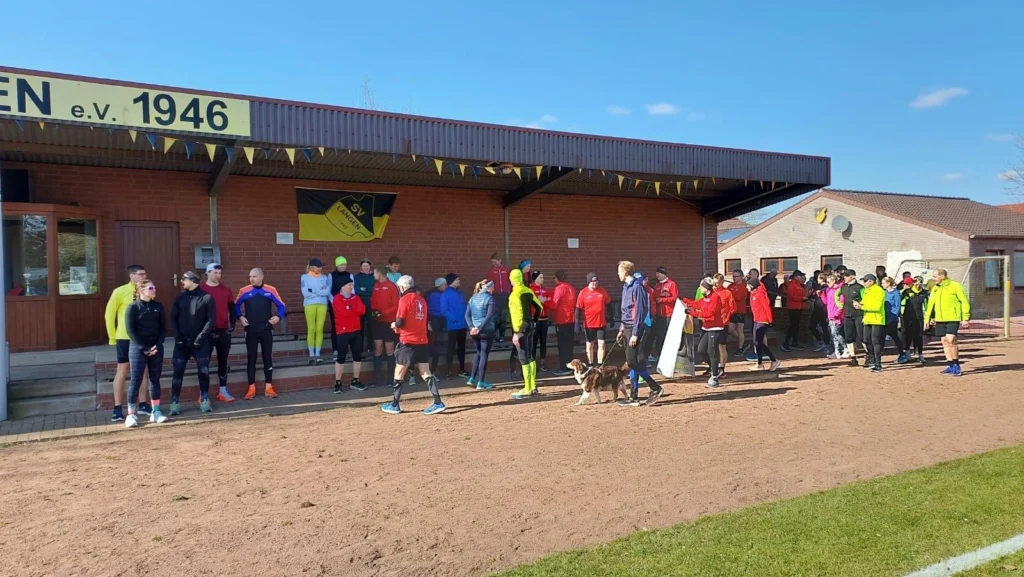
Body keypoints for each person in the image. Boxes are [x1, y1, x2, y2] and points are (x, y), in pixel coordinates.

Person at [380, 275, 447, 415]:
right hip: (422, 340)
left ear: (402, 287)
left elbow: (400, 322)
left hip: (408, 341)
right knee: (426, 372)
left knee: (399, 372)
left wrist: (394, 325)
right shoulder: (421, 300)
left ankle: (394, 404)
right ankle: (438, 402)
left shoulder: (404, 300)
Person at [104, 265, 151, 421]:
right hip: (124, 337)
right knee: (122, 370)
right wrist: (112, 337)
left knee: (143, 370)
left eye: (145, 274)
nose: (144, 277)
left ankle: (143, 403)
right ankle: (118, 407)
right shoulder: (119, 291)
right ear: (132, 275)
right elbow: (109, 315)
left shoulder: (148, 290)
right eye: (141, 274)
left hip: (142, 337)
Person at [169, 271, 216, 415]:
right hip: (182, 342)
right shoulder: (180, 298)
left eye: (184, 279)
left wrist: (200, 338)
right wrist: (178, 338)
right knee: (178, 372)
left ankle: (205, 399)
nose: (182, 282)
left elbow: (210, 321)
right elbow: (173, 319)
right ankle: (175, 403)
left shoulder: (207, 298)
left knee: (204, 371)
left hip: (200, 342)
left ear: (193, 281)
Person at [617, 262, 664, 406]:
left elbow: (640, 312)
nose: (617, 274)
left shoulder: (637, 287)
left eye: (619, 271)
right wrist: (621, 328)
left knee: (632, 361)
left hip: (635, 328)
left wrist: (635, 333)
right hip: (627, 327)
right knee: (634, 362)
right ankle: (634, 397)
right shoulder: (626, 287)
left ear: (625, 272)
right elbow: (625, 311)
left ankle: (655, 387)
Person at [123, 279, 168, 428]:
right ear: (141, 290)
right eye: (150, 288)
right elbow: (131, 331)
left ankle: (156, 412)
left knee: (155, 379)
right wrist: (144, 348)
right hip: (138, 348)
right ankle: (131, 415)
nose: (154, 290)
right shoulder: (132, 307)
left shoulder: (158, 306)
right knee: (136, 380)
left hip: (155, 347)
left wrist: (157, 345)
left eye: (154, 287)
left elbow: (163, 329)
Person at [236, 268, 286, 399]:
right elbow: (235, 306)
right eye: (250, 276)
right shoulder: (244, 290)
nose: (251, 279)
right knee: (251, 358)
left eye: (254, 276)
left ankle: (268, 387)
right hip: (251, 329)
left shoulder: (271, 290)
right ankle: (251, 388)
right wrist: (240, 317)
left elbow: (281, 306)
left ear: (261, 276)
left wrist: (278, 317)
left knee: (267, 357)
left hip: (266, 329)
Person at [684, 277, 731, 388]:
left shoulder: (715, 297)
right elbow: (697, 304)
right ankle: (715, 367)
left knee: (712, 351)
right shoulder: (706, 297)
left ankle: (714, 377)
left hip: (716, 327)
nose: (699, 288)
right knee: (701, 349)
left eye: (701, 286)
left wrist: (692, 312)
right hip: (707, 327)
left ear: (705, 287)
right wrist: (685, 300)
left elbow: (709, 313)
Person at [201, 263, 238, 402]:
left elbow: (232, 309)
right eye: (215, 273)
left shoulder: (226, 290)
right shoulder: (201, 289)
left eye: (219, 273)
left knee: (223, 360)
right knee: (204, 362)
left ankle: (223, 390)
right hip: (206, 332)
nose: (218, 275)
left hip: (223, 331)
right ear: (208, 273)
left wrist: (232, 325)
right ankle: (203, 394)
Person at [924, 269, 971, 376]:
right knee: (944, 341)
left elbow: (964, 301)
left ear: (942, 276)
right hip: (940, 319)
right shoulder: (935, 289)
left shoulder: (955, 286)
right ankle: (950, 365)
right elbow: (930, 305)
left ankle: (956, 364)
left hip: (953, 318)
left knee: (951, 339)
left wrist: (965, 317)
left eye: (935, 276)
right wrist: (927, 319)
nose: (933, 278)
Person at [510, 268, 543, 399]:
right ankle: (532, 386)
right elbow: (539, 307)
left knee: (523, 359)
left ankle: (527, 388)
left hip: (522, 327)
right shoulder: (528, 291)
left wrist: (517, 332)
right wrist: (534, 321)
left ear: (512, 280)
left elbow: (517, 314)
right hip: (530, 325)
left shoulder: (515, 294)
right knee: (530, 357)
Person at [332, 275, 366, 392]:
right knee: (341, 357)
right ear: (343, 286)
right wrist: (353, 309)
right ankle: (338, 382)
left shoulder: (356, 297)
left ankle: (355, 380)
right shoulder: (337, 299)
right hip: (343, 332)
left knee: (357, 356)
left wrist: (350, 308)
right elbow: (343, 313)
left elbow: (362, 310)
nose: (352, 287)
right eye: (349, 285)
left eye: (352, 285)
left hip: (356, 330)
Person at [370, 266, 400, 387]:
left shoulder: (392, 286)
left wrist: (384, 313)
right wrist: (374, 312)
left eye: (375, 273)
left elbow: (396, 305)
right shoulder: (375, 286)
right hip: (377, 322)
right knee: (377, 347)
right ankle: (377, 378)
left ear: (380, 273)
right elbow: (372, 301)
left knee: (389, 349)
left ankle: (390, 378)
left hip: (388, 322)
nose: (373, 275)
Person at [465, 280, 496, 390]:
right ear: (488, 288)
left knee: (478, 353)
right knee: (483, 354)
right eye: (492, 287)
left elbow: (467, 315)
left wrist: (471, 327)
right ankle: (481, 382)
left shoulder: (472, 298)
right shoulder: (490, 298)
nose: (494, 289)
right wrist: (480, 328)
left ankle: (472, 378)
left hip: (474, 331)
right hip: (486, 330)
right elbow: (489, 315)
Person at [575, 273, 611, 365]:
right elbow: (578, 309)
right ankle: (590, 363)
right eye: (593, 281)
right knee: (590, 344)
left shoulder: (602, 291)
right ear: (588, 282)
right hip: (589, 324)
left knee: (601, 344)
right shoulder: (583, 292)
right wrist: (577, 323)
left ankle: (600, 364)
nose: (595, 283)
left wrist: (611, 317)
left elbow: (609, 304)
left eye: (596, 281)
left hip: (601, 323)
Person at [747, 276, 781, 372]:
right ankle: (759, 363)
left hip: (762, 320)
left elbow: (766, 307)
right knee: (756, 342)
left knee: (759, 342)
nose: (746, 287)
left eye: (748, 285)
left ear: (751, 286)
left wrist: (770, 320)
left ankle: (774, 360)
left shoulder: (760, 294)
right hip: (756, 319)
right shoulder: (753, 294)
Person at [301, 258, 331, 364]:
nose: (320, 268)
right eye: (318, 266)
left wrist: (314, 291)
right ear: (312, 267)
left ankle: (318, 353)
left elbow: (327, 290)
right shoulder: (305, 277)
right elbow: (305, 293)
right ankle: (311, 354)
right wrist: (319, 291)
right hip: (309, 305)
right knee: (311, 328)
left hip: (322, 304)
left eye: (321, 266)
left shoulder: (324, 277)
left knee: (319, 329)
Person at [854, 274, 886, 372]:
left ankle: (878, 363)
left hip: (877, 319)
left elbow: (876, 306)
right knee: (866, 339)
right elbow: (865, 302)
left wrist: (862, 307)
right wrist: (858, 304)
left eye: (865, 281)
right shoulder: (867, 291)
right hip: (867, 318)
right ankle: (871, 360)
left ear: (871, 281)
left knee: (875, 341)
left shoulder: (879, 291)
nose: (864, 283)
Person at [550, 270, 577, 377]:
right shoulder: (571, 288)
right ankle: (570, 365)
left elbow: (554, 304)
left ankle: (563, 367)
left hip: (562, 320)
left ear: (557, 278)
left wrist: (544, 301)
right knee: (569, 345)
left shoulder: (559, 288)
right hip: (571, 319)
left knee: (562, 345)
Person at [441, 273, 469, 378]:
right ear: (451, 281)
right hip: (453, 326)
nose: (459, 281)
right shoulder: (445, 295)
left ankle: (462, 369)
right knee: (451, 349)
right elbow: (444, 311)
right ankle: (448, 371)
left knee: (462, 348)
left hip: (461, 325)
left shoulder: (459, 294)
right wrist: (454, 320)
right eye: (457, 280)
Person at [837, 269, 864, 366]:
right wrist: (840, 305)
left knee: (862, 336)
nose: (844, 278)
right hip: (847, 315)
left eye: (847, 276)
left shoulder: (860, 287)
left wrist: (861, 305)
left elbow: (865, 299)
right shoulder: (843, 287)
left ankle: (869, 356)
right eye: (844, 276)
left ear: (852, 276)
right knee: (848, 337)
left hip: (859, 315)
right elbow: (836, 295)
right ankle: (853, 358)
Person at [712, 274, 736, 378]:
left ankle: (722, 368)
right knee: (711, 347)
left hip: (722, 323)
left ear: (722, 282)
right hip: (711, 323)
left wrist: (726, 316)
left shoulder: (727, 293)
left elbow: (733, 308)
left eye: (717, 283)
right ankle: (712, 367)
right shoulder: (711, 292)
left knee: (722, 346)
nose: (716, 285)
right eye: (714, 282)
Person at [652, 266, 679, 362]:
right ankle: (660, 354)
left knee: (668, 335)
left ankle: (670, 356)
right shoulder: (657, 285)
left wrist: (662, 300)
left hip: (669, 314)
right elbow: (654, 297)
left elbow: (674, 298)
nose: (656, 275)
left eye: (658, 273)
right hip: (659, 314)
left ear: (663, 274)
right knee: (660, 335)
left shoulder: (672, 284)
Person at [327, 256, 351, 362]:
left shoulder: (349, 275)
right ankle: (336, 349)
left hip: (348, 305)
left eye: (345, 264)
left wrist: (349, 302)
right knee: (336, 327)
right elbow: (329, 290)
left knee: (348, 327)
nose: (343, 266)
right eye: (341, 264)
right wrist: (334, 303)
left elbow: (352, 289)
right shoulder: (331, 275)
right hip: (335, 305)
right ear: (337, 265)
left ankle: (346, 348)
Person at [530, 271, 554, 372]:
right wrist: (542, 300)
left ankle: (543, 363)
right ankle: (533, 364)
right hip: (535, 319)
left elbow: (549, 301)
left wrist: (544, 300)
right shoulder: (531, 289)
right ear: (535, 279)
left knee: (543, 341)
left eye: (543, 277)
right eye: (540, 278)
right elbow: (532, 302)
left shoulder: (544, 289)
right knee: (534, 342)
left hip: (545, 319)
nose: (542, 279)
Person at [881, 277, 909, 364]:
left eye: (883, 283)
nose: (882, 285)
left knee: (895, 337)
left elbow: (897, 307)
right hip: (883, 319)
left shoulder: (895, 293)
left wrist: (892, 319)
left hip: (892, 319)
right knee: (880, 338)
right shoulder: (884, 293)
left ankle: (902, 354)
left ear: (889, 283)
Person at [901, 276, 928, 364]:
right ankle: (907, 353)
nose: (918, 285)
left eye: (920, 283)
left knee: (919, 335)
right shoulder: (907, 292)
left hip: (919, 317)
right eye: (916, 283)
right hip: (907, 317)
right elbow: (900, 301)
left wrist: (930, 318)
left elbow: (927, 306)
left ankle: (919, 354)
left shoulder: (925, 293)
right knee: (907, 335)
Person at [426, 277, 449, 376]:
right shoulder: (434, 295)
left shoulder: (439, 294)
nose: (446, 287)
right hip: (434, 319)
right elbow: (437, 310)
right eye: (445, 285)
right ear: (439, 286)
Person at [486, 254, 512, 342]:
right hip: (495, 296)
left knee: (503, 317)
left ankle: (502, 336)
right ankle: (494, 336)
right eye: (492, 262)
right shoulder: (491, 271)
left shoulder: (506, 270)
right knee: (495, 317)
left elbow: (511, 283)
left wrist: (509, 293)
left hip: (505, 296)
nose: (494, 264)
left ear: (500, 260)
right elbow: (488, 284)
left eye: (495, 261)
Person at [781, 270, 808, 352]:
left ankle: (794, 342)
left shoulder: (799, 284)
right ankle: (786, 343)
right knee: (792, 326)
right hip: (793, 308)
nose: (801, 277)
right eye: (800, 276)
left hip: (798, 307)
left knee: (796, 326)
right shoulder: (792, 284)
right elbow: (791, 296)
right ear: (796, 276)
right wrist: (801, 298)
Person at [822, 274, 847, 360]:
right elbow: (826, 302)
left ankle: (846, 348)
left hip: (837, 316)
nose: (827, 283)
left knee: (836, 333)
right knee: (833, 335)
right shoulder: (828, 289)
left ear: (833, 281)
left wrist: (837, 314)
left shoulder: (839, 290)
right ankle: (836, 351)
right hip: (830, 315)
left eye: (828, 282)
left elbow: (841, 304)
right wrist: (822, 295)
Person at [727, 269, 749, 358]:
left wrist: (730, 296)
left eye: (736, 276)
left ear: (741, 277)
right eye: (733, 276)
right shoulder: (730, 286)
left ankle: (740, 348)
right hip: (732, 311)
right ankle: (744, 342)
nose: (734, 278)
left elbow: (739, 297)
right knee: (730, 329)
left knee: (740, 329)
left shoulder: (744, 286)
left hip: (740, 311)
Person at [354, 259, 375, 352]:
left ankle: (370, 347)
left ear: (370, 267)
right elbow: (357, 291)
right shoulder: (357, 277)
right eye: (364, 266)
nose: (365, 267)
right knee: (360, 327)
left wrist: (364, 291)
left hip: (371, 305)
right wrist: (368, 291)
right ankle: (360, 348)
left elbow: (374, 291)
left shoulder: (373, 277)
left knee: (371, 327)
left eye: (367, 266)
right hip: (360, 305)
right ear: (360, 267)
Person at [808, 272, 830, 353]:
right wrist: (811, 294)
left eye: (818, 278)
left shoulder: (827, 288)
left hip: (824, 310)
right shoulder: (818, 287)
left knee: (825, 328)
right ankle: (821, 342)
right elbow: (812, 296)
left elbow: (827, 300)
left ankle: (827, 345)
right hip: (817, 309)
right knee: (812, 326)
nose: (817, 280)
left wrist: (821, 294)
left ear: (821, 279)